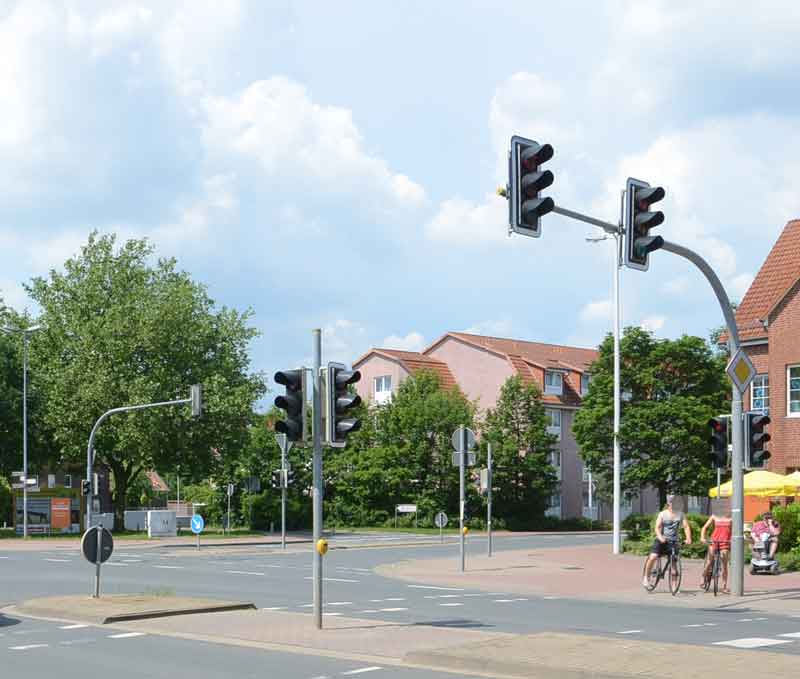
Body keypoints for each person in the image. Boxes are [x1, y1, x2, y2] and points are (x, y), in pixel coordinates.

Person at [642, 495, 692, 588]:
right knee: (653, 557)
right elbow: (657, 528)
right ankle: (646, 577)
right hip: (661, 540)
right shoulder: (662, 514)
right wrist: (660, 537)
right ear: (669, 503)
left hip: (673, 541)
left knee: (674, 563)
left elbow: (686, 527)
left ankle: (674, 585)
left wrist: (688, 538)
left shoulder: (681, 514)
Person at [700, 512, 731, 593]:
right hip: (714, 540)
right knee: (709, 562)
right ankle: (703, 577)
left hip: (725, 542)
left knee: (725, 565)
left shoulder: (732, 517)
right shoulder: (714, 516)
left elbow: (735, 531)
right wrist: (702, 537)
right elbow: (704, 527)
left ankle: (724, 586)